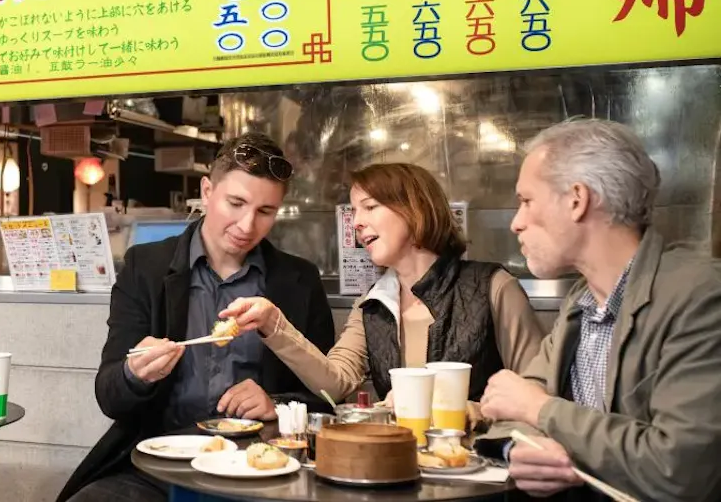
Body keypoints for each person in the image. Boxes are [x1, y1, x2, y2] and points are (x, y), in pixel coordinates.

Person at [57, 133, 336, 502]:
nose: (247, 225)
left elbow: (329, 397)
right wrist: (135, 374)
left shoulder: (297, 280)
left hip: (259, 465)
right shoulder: (146, 268)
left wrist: (277, 404)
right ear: (207, 192)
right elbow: (109, 396)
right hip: (160, 463)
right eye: (236, 203)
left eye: (265, 211)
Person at [478, 119, 721, 501]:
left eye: (526, 201)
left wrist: (542, 411)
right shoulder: (581, 302)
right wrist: (519, 450)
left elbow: (679, 472)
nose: (516, 223)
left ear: (577, 199)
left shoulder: (701, 296)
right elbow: (510, 411)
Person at [222, 163, 544, 421]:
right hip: (398, 466)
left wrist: (469, 412)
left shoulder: (493, 287)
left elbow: (538, 396)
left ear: (414, 208)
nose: (356, 223)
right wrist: (273, 324)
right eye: (354, 211)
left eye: (370, 207)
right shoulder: (374, 303)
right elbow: (335, 383)